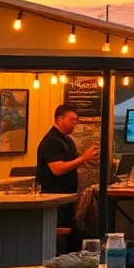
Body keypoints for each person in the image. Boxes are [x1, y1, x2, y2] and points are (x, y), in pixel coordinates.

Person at [35, 105, 99, 250]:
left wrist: (89, 158)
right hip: (54, 198)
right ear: (59, 119)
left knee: (72, 236)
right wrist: (83, 158)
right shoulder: (51, 141)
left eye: (76, 120)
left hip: (67, 197)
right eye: (71, 119)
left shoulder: (68, 141)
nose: (74, 123)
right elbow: (57, 169)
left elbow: (71, 163)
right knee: (61, 238)